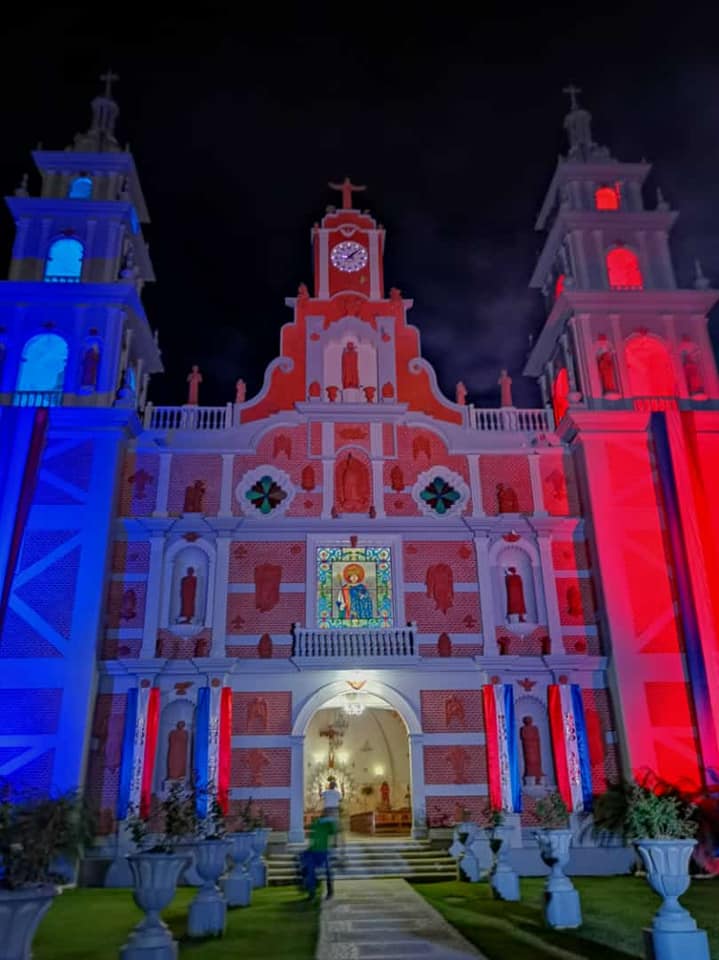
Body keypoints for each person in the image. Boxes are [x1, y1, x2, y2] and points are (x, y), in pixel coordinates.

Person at [301, 814, 336, 901]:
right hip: (315, 851)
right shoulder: (319, 824)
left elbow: (333, 831)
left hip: (322, 851)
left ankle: (328, 892)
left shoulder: (324, 824)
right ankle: (312, 892)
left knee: (326, 871)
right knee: (312, 871)